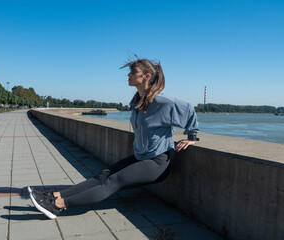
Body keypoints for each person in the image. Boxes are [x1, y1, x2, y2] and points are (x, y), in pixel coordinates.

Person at [28, 57, 200, 219]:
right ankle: (55, 195)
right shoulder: (138, 101)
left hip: (158, 162)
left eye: (134, 72)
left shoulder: (163, 102)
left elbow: (188, 109)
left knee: (113, 181)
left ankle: (57, 205)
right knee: (103, 175)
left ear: (146, 76)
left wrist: (191, 136)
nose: (129, 75)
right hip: (142, 157)